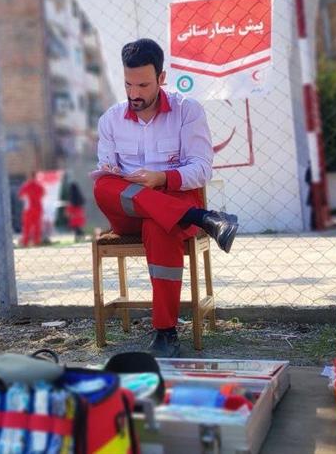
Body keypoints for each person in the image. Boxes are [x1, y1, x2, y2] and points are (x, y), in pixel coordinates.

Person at [93, 38, 239, 358]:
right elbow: (106, 171)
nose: (134, 93)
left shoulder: (188, 111)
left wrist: (163, 178)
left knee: (160, 225)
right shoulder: (110, 120)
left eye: (143, 85)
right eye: (128, 84)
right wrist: (115, 173)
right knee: (102, 185)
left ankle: (165, 332)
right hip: (129, 209)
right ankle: (205, 219)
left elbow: (202, 169)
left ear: (162, 77)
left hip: (173, 205)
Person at [18, 171, 46, 247]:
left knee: (27, 226)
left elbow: (20, 196)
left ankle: (25, 242)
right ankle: (36, 241)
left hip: (28, 208)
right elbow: (43, 194)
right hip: (38, 207)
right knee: (37, 225)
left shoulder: (26, 186)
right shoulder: (39, 186)